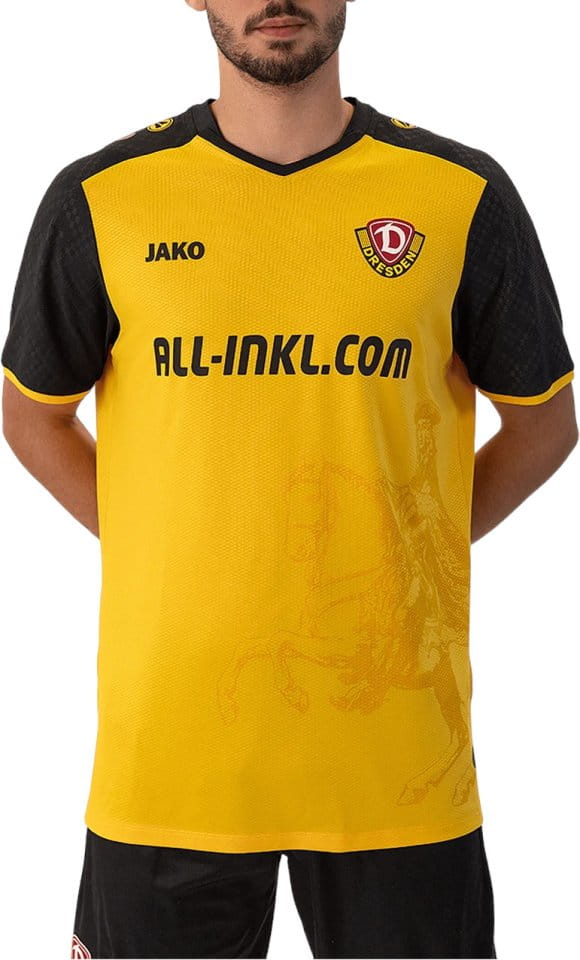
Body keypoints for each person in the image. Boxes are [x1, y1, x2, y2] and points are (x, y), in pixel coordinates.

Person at [2, 1, 577, 957]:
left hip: (397, 764)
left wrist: (405, 547)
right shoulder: (101, 198)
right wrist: (168, 536)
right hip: (170, 763)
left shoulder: (458, 194)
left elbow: (545, 424)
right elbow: (32, 413)